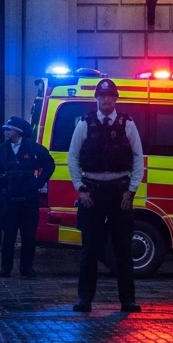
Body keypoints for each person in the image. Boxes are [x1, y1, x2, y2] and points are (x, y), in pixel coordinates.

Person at [67, 79, 144, 313]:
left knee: (123, 249)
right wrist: (80, 189)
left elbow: (139, 158)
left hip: (119, 193)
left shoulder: (127, 123)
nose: (106, 100)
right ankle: (85, 299)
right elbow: (73, 158)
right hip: (93, 194)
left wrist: (131, 191)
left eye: (110, 96)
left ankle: (128, 300)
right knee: (89, 249)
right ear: (96, 99)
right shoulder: (85, 123)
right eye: (102, 96)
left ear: (116, 99)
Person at [0, 116, 55, 278]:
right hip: (9, 199)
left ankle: (27, 268)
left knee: (28, 236)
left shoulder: (32, 148)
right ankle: (6, 268)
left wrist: (38, 182)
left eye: (9, 129)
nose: (6, 132)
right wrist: (2, 181)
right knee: (8, 236)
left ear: (18, 131)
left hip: (28, 199)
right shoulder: (1, 149)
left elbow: (49, 163)